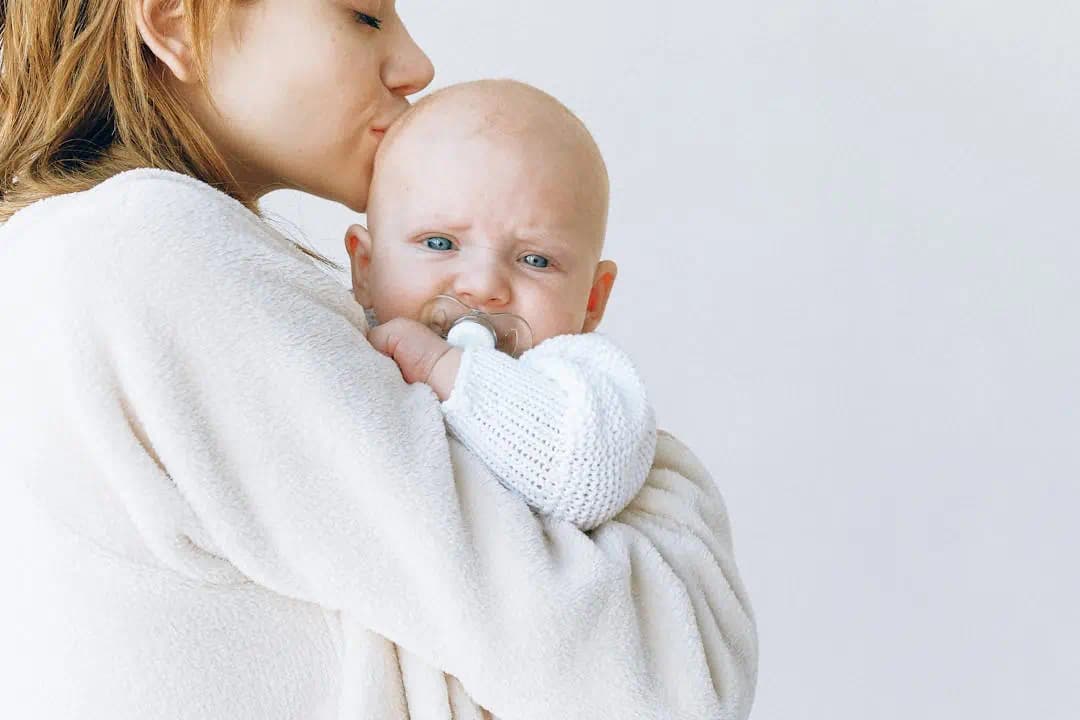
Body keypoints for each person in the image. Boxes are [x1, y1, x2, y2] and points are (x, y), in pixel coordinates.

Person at [0, 2, 758, 719]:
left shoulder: (75, 258)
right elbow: (663, 682)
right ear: (172, 18)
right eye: (362, 14)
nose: (416, 64)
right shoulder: (150, 252)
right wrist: (665, 484)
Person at [351, 79, 657, 532]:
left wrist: (441, 367)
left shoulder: (584, 380)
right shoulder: (340, 343)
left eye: (536, 260)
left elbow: (589, 476)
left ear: (593, 300)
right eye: (440, 243)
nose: (483, 286)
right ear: (365, 268)